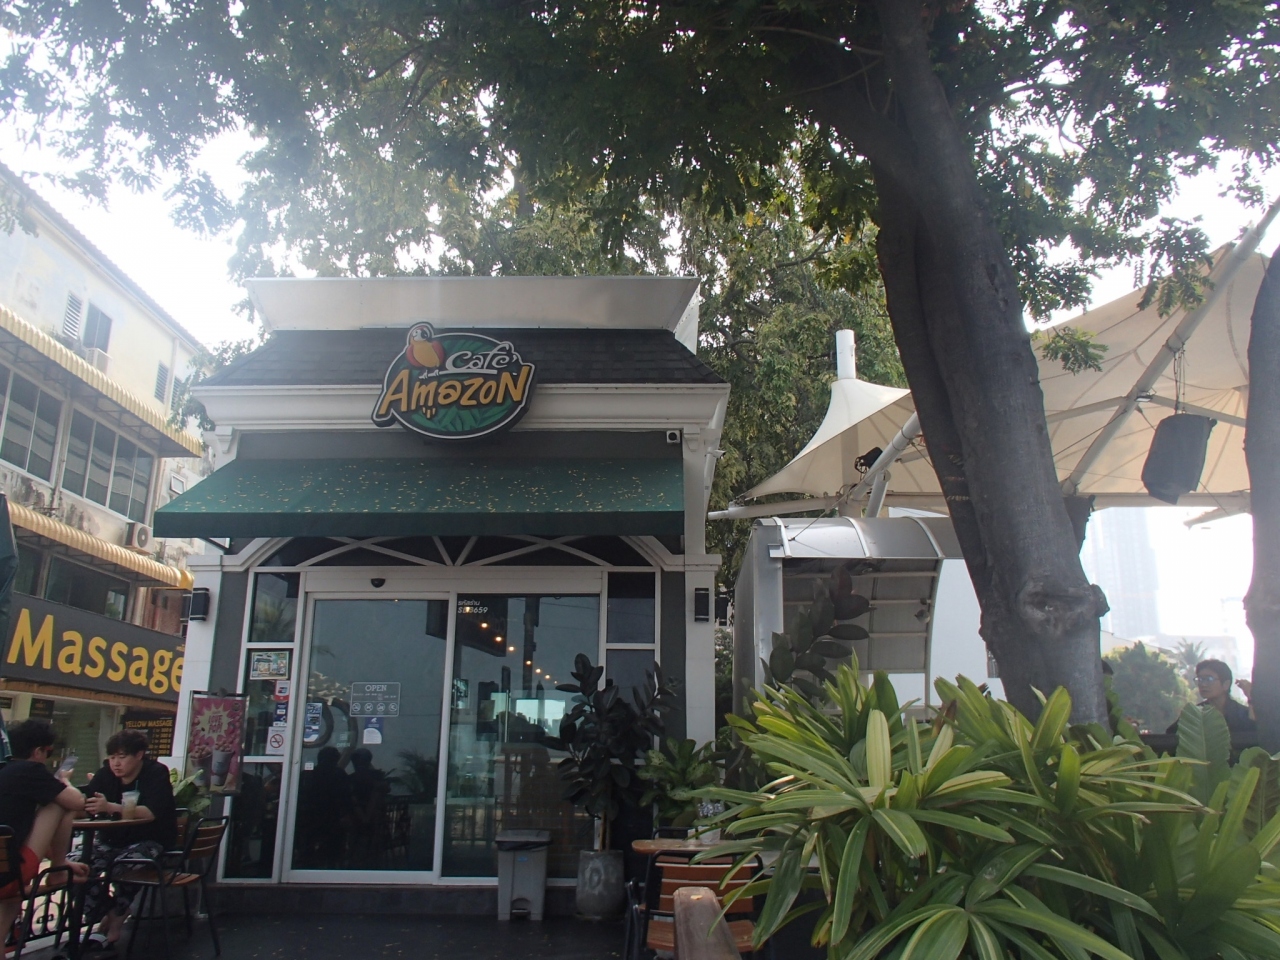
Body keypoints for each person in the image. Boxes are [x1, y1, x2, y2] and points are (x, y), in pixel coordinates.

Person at [79, 730, 177, 954]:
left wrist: (110, 807)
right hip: (110, 840)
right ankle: (112, 913)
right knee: (75, 867)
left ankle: (114, 919)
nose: (116, 763)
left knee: (123, 867)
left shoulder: (155, 773)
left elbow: (150, 812)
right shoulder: (105, 774)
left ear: (139, 754)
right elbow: (87, 802)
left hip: (150, 840)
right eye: (112, 757)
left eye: (122, 757)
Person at [0, 720, 89, 949]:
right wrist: (65, 781)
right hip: (10, 876)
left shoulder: (4, 770)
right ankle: (58, 869)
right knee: (58, 804)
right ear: (38, 751)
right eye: (49, 752)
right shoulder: (31, 771)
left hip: (5, 871)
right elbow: (76, 802)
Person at [1167, 659, 1256, 735]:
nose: (1203, 684)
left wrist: (1250, 696)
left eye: (1209, 679)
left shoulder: (1241, 713)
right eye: (1200, 679)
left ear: (1226, 684)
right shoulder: (1194, 714)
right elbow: (1171, 735)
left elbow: (1254, 730)